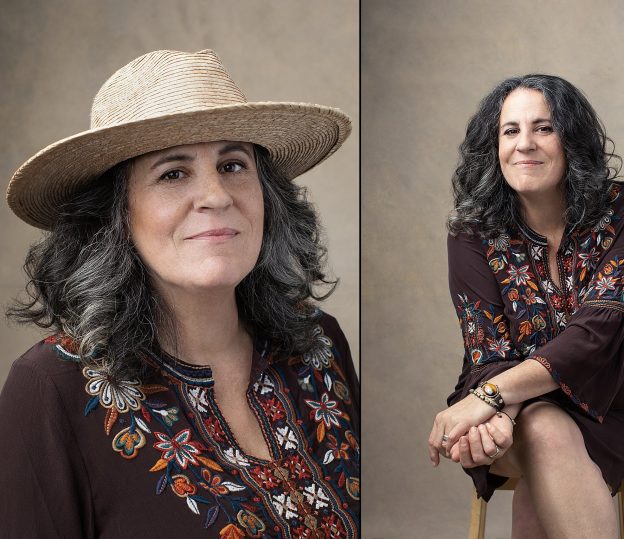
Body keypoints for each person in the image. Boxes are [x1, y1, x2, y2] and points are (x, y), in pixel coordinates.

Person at [0, 49, 359, 538]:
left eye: (234, 165)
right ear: (116, 215)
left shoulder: (320, 343)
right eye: (172, 173)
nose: (216, 195)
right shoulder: (50, 388)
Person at [428, 74, 624, 538]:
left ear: (572, 139)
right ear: (493, 148)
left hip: (605, 412)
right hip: (502, 413)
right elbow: (487, 351)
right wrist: (501, 413)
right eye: (510, 131)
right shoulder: (472, 231)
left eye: (543, 128)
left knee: (545, 430)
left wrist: (487, 400)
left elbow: (598, 337)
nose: (524, 144)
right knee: (540, 425)